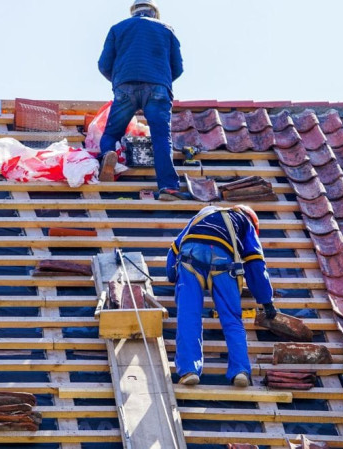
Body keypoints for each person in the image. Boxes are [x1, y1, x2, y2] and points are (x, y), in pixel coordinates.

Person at [167, 205, 278, 387]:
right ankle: (241, 371)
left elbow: (174, 249)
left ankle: (189, 371)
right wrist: (267, 301)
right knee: (233, 320)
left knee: (188, 316)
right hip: (223, 262)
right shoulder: (245, 223)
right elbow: (255, 264)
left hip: (188, 258)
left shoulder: (202, 214)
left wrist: (173, 276)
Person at [97, 0, 190, 201]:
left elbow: (104, 64)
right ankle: (168, 188)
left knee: (112, 133)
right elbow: (178, 67)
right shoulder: (166, 29)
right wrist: (160, 82)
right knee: (161, 138)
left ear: (133, 12)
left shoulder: (118, 29)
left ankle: (107, 158)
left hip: (125, 87)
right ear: (154, 12)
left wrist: (120, 82)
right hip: (158, 88)